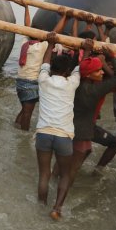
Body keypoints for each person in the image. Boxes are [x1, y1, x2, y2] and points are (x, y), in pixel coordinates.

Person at [34, 34, 81, 219]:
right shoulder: (72, 83)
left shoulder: (43, 80)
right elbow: (79, 66)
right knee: (65, 175)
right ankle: (57, 208)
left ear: (52, 68)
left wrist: (51, 43)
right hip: (63, 136)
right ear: (67, 71)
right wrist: (82, 48)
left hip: (43, 133)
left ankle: (40, 205)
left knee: (44, 174)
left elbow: (45, 63)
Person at [69, 47, 116, 186]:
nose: (103, 70)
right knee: (74, 164)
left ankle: (62, 180)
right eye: (99, 69)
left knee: (80, 155)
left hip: (78, 125)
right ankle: (63, 195)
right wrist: (114, 56)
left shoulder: (77, 81)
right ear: (90, 74)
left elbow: (81, 68)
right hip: (84, 128)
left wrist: (87, 53)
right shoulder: (97, 88)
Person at [15, 8, 68, 130]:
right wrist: (65, 17)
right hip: (31, 83)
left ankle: (16, 127)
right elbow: (55, 33)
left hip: (20, 81)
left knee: (24, 109)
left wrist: (26, 7)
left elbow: (26, 26)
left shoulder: (25, 43)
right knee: (28, 113)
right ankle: (23, 136)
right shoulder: (41, 46)